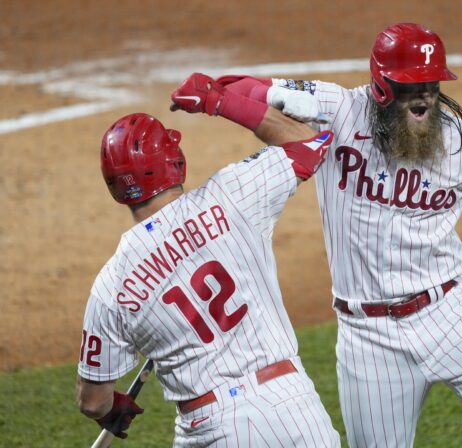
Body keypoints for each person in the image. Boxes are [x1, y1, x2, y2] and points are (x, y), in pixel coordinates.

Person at [169, 22, 462, 447]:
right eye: (411, 84)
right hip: (368, 339)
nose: (425, 93)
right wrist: (217, 97)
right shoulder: (341, 108)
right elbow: (254, 88)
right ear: (382, 85)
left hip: (453, 315)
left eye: (431, 82)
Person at [75, 103, 342, 447]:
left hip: (212, 426)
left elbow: (92, 399)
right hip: (294, 406)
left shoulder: (110, 287)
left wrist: (111, 410)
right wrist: (226, 101)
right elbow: (310, 140)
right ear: (174, 160)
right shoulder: (232, 194)